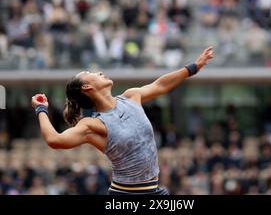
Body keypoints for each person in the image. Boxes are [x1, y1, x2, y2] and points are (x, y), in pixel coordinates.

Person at [31, 47, 214, 195]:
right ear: (87, 87)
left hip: (154, 191)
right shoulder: (92, 124)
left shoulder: (131, 96)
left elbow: (161, 85)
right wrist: (41, 109)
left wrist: (194, 67)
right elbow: (54, 140)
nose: (99, 72)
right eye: (90, 72)